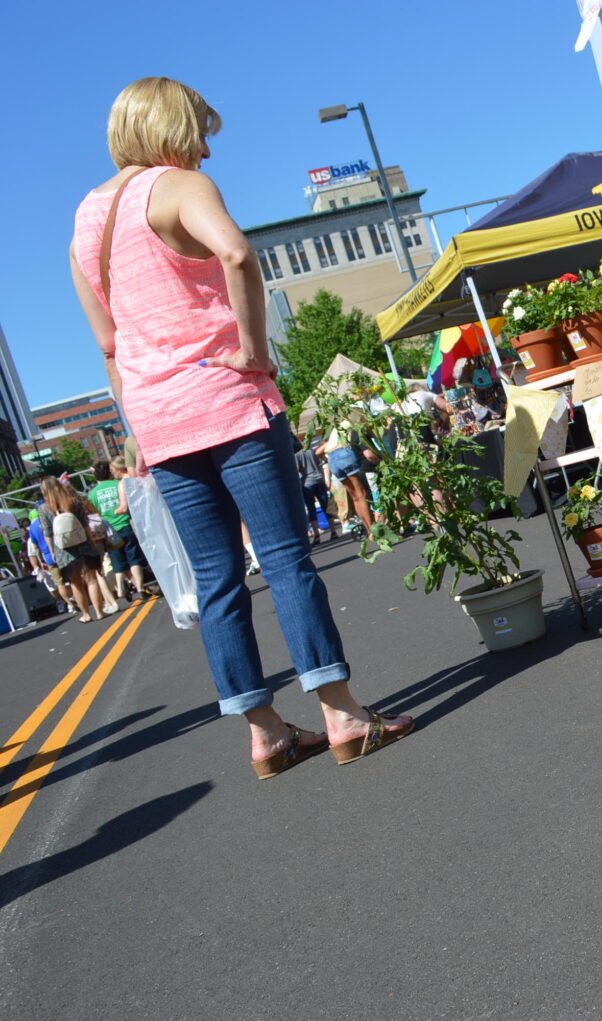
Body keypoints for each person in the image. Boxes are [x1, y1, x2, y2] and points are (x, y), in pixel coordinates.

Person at [68, 77, 411, 776]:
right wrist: (253, 350)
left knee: (217, 579)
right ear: (169, 126)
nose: (207, 144)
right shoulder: (179, 186)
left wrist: (139, 424)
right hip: (227, 400)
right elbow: (237, 253)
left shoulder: (86, 219)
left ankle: (265, 733)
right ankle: (342, 715)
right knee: (284, 557)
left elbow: (108, 343)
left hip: (160, 424)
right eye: (199, 127)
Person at [39, 476, 117, 623]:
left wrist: (52, 551)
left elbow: (47, 533)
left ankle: (86, 614)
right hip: (83, 544)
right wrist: (91, 542)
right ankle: (99, 612)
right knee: (92, 579)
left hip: (63, 550)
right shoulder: (72, 501)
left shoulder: (43, 509)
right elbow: (85, 524)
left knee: (76, 583)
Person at [90, 457, 153, 600]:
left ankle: (120, 589)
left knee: (117, 561)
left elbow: (94, 514)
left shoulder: (92, 494)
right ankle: (140, 587)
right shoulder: (118, 484)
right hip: (126, 524)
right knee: (134, 558)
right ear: (109, 472)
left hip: (109, 532)